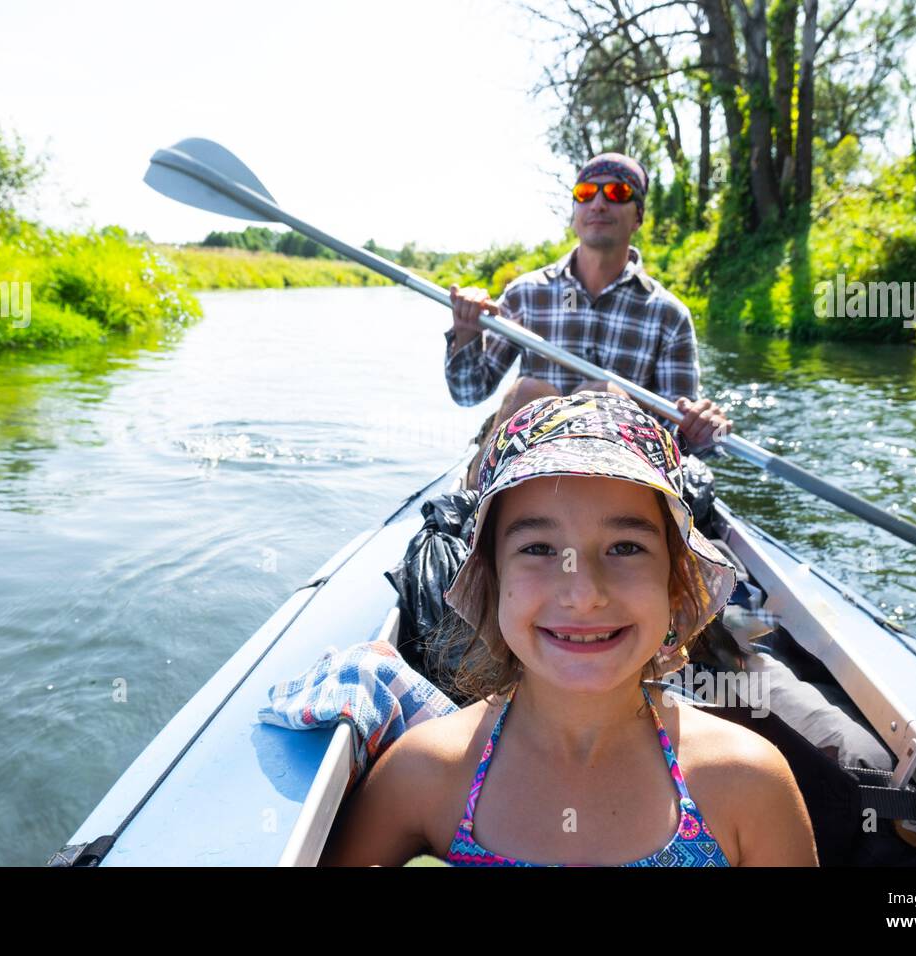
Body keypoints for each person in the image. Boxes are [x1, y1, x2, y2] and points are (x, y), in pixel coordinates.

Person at [318, 392, 818, 867]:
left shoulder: (746, 781)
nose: (583, 593)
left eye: (625, 547)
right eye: (538, 549)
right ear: (493, 583)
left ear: (675, 581)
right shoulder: (424, 776)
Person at [444, 151, 732, 487]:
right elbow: (468, 393)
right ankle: (480, 507)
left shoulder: (669, 315)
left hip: (618, 477)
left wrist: (700, 431)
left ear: (637, 216)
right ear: (575, 213)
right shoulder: (525, 294)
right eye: (585, 193)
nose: (598, 203)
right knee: (530, 391)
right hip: (524, 471)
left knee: (603, 392)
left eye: (617, 193)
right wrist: (465, 333)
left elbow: (678, 441)